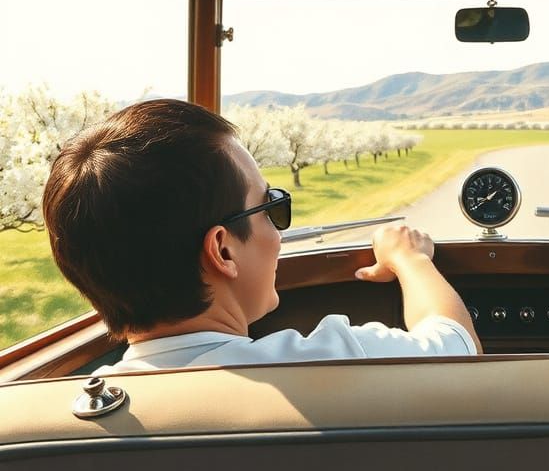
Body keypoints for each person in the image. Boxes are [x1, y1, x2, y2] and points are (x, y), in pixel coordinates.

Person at [42, 99, 480, 374]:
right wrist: (410, 259)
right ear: (222, 249)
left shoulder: (85, 414)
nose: (278, 235)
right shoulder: (334, 361)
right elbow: (458, 348)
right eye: (270, 207)